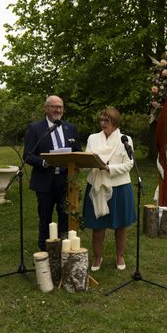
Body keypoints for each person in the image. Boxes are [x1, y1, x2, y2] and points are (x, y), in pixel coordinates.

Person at [24, 95, 81, 252]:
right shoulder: (36, 129)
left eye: (60, 107)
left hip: (65, 181)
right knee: (45, 217)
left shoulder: (71, 128)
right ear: (46, 108)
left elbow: (78, 152)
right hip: (44, 180)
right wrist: (43, 162)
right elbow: (28, 155)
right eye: (54, 106)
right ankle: (44, 249)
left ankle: (64, 248)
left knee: (64, 216)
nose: (58, 110)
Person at [82, 107, 136, 271]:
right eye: (102, 120)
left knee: (120, 226)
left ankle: (120, 256)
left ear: (115, 122)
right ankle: (98, 257)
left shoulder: (125, 139)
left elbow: (129, 164)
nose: (103, 123)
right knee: (97, 226)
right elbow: (87, 158)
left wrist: (108, 168)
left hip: (119, 187)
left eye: (107, 120)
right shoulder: (93, 138)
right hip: (96, 186)